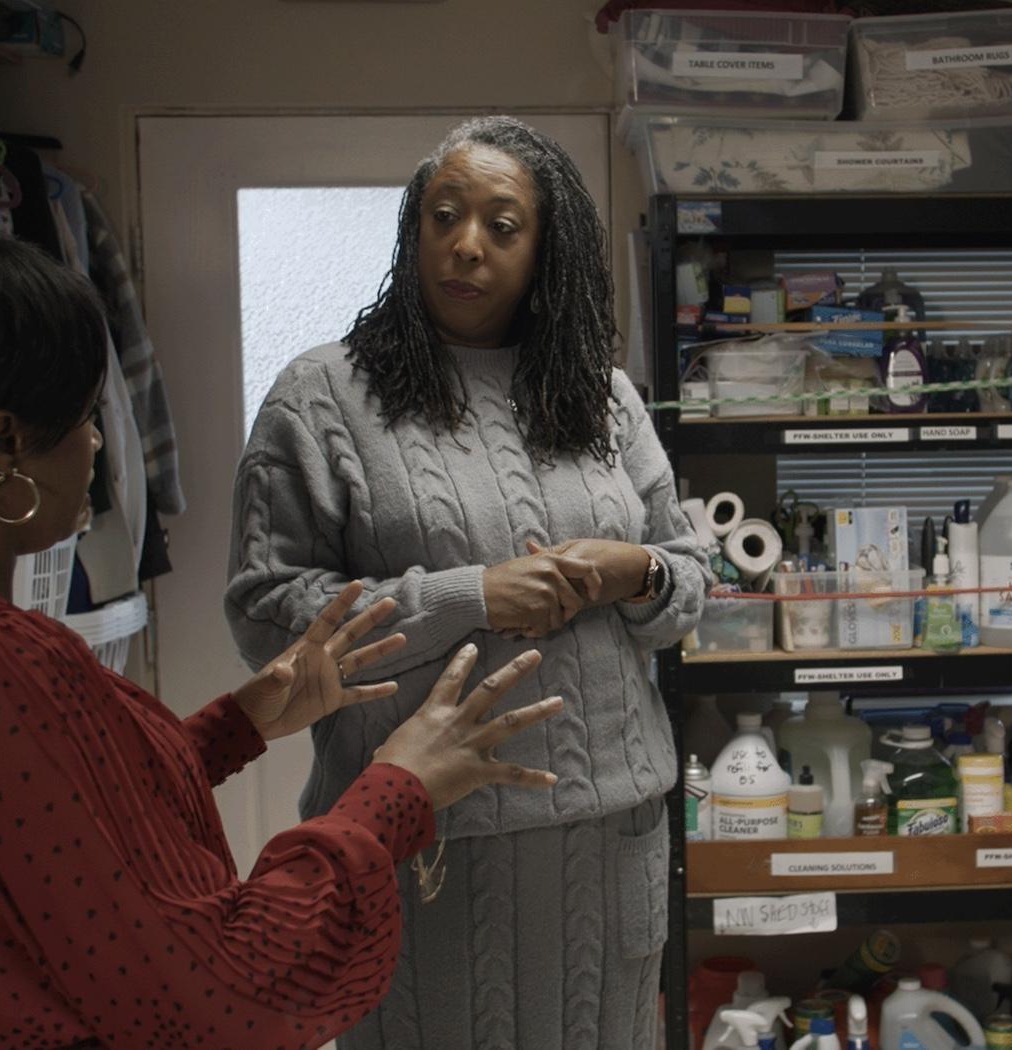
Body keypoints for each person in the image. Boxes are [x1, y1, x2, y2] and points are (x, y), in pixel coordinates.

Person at [0, 226, 565, 1049]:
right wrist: (398, 788)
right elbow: (221, 993)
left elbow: (44, 836)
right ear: (7, 442)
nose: (96, 443)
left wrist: (238, 724)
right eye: (86, 416)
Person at [227, 116, 709, 1050]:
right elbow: (264, 614)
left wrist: (639, 571)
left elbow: (688, 584)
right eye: (443, 216)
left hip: (607, 838)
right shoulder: (321, 397)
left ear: (547, 250)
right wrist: (469, 597)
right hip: (416, 835)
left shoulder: (603, 397)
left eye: (501, 224)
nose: (466, 243)